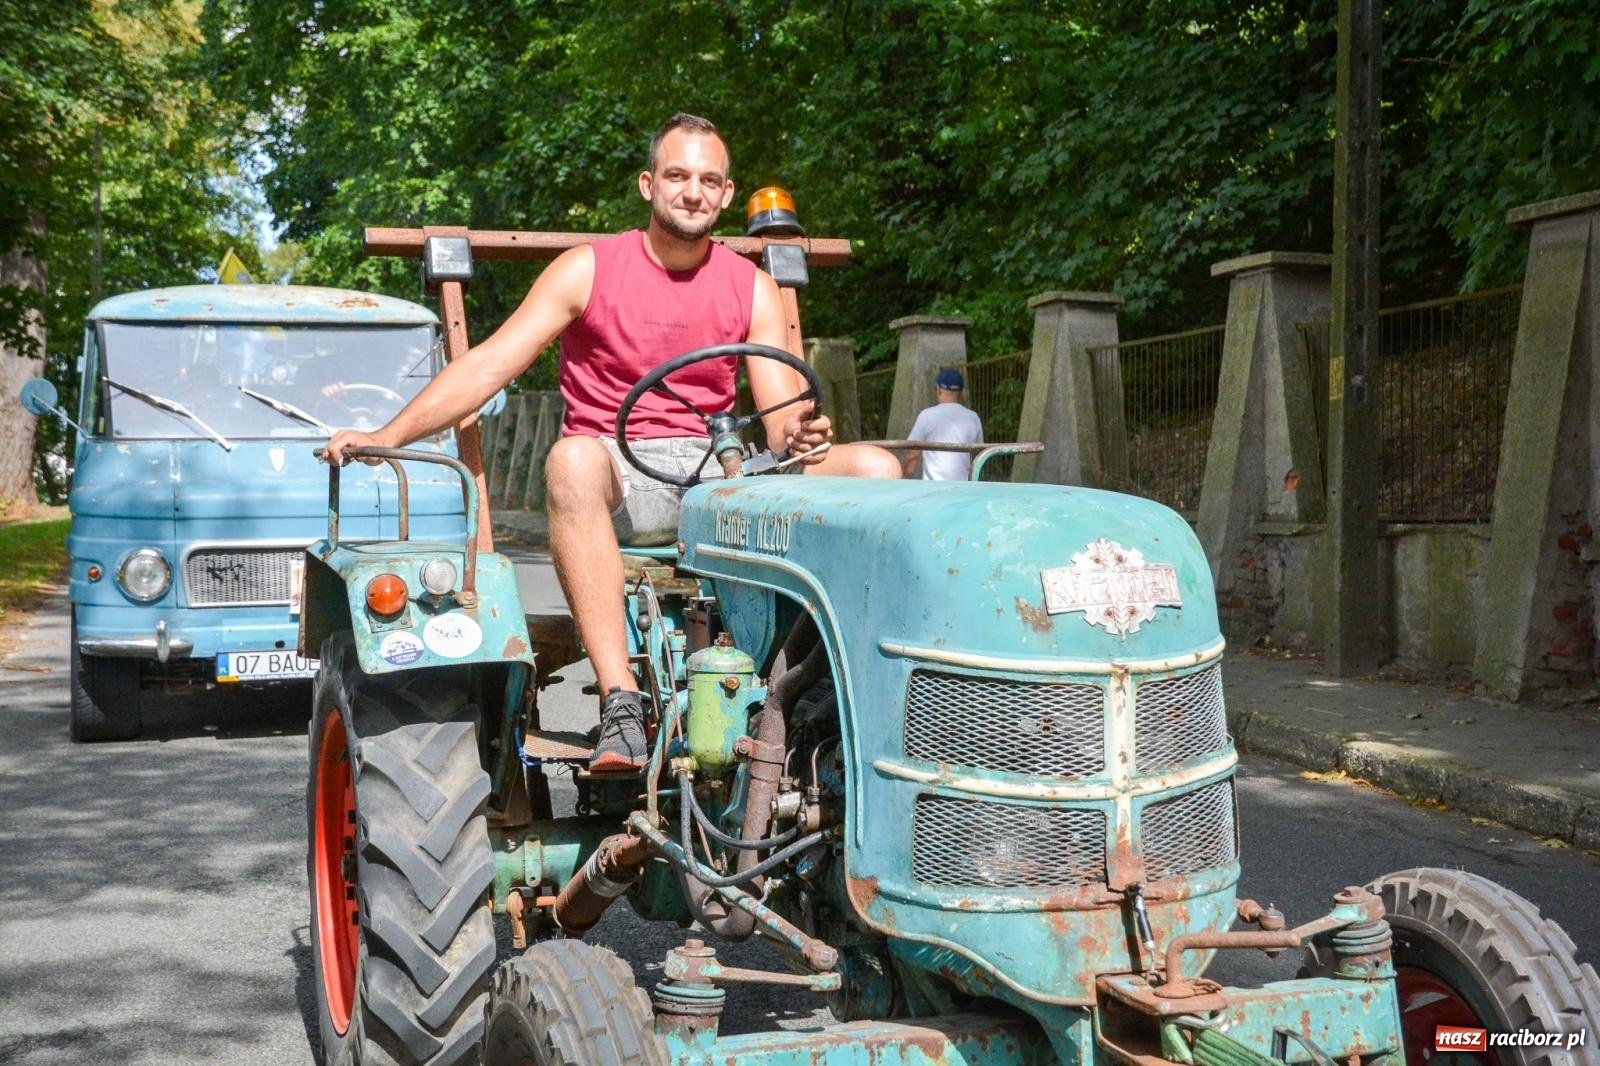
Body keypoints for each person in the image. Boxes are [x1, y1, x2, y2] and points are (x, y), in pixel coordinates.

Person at [325, 113, 900, 772]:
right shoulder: (588, 269)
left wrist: (803, 430)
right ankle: (621, 703)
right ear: (648, 184)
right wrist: (387, 434)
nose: (693, 192)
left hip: (724, 469)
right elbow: (487, 366)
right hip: (621, 470)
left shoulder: (751, 285)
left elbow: (779, 424)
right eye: (678, 176)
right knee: (570, 459)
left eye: (709, 180)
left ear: (727, 192)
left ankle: (834, 690)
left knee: (878, 468)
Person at [903, 368, 984, 480]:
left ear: (939, 390)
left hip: (934, 489)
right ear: (961, 392)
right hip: (964, 488)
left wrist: (905, 477)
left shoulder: (926, 416)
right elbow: (980, 455)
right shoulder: (973, 417)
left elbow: (912, 454)